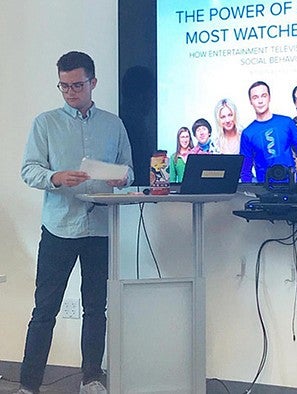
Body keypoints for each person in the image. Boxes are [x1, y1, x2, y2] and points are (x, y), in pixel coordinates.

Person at [19, 51, 134, 394]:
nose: (70, 92)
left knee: (96, 308)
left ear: (93, 83)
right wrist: (55, 177)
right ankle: (28, 384)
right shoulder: (45, 123)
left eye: (77, 85)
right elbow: (28, 169)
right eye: (64, 86)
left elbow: (128, 169)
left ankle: (92, 378)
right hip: (59, 228)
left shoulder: (113, 124)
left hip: (100, 227)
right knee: (45, 310)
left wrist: (122, 178)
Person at [240, 81, 297, 183]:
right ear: (250, 101)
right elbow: (245, 171)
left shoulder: (286, 123)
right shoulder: (247, 134)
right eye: (255, 97)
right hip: (265, 191)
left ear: (269, 97)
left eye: (263, 96)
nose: (260, 101)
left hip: (292, 187)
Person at [120, 65, 156, 186]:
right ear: (142, 96)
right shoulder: (126, 124)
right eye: (151, 94)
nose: (152, 100)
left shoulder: (140, 122)